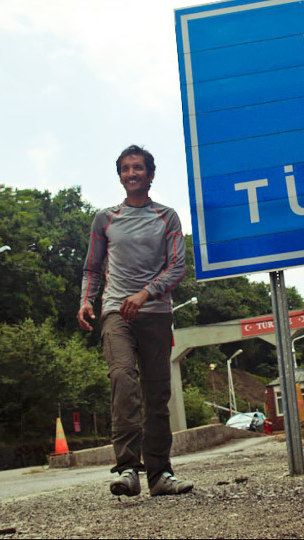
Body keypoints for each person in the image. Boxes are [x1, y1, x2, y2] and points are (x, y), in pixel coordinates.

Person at [77, 145, 192, 497]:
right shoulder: (105, 219)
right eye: (126, 169)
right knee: (123, 380)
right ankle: (128, 469)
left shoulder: (167, 217)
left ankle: (160, 475)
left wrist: (145, 294)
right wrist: (85, 300)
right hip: (115, 312)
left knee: (157, 395)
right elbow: (93, 267)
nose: (132, 174)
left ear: (150, 175)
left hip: (155, 314)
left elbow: (177, 268)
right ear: (120, 176)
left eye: (138, 168)